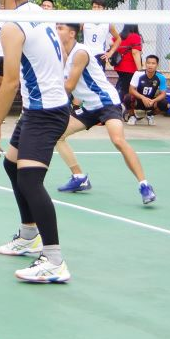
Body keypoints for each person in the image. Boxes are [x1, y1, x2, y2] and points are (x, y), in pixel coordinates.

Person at [0, 0, 73, 284]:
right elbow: (61, 52)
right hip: (43, 106)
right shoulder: (40, 13)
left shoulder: (13, 26)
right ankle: (28, 234)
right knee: (12, 166)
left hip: (46, 112)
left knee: (30, 181)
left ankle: (54, 260)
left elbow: (9, 82)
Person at [52, 22, 156, 205]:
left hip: (107, 101)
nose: (56, 30)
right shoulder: (62, 54)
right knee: (57, 135)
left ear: (71, 33)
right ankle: (79, 177)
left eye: (60, 28)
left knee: (118, 140)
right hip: (90, 106)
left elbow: (69, 86)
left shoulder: (80, 53)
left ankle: (144, 185)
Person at [126, 55, 167, 124]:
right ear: (145, 64)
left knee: (165, 105)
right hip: (138, 100)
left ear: (157, 65)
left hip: (151, 101)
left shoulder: (161, 77)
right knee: (127, 98)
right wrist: (143, 98)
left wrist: (154, 100)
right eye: (148, 63)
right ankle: (132, 116)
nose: (150, 65)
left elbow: (163, 94)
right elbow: (131, 90)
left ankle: (150, 115)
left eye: (153, 63)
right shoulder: (138, 74)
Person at [108, 23, 142, 105]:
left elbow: (110, 43)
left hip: (119, 65)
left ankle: (115, 102)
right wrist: (140, 69)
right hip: (130, 67)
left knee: (121, 84)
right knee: (125, 89)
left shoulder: (120, 36)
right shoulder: (135, 36)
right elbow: (135, 52)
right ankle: (118, 104)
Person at [81, 0, 118, 68]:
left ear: (104, 9)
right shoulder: (85, 21)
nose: (96, 9)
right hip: (86, 54)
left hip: (100, 56)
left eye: (99, 7)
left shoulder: (108, 23)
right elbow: (74, 33)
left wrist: (110, 52)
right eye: (94, 7)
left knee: (99, 78)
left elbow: (118, 39)